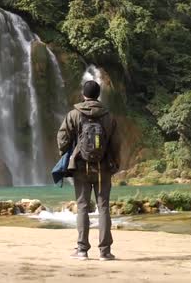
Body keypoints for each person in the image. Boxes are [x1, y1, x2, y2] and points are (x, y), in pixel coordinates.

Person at [57, 80, 120, 261]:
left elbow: (62, 138)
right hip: (103, 168)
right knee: (104, 208)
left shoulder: (74, 114)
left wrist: (67, 154)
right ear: (98, 95)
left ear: (83, 95)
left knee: (83, 207)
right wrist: (114, 163)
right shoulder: (109, 116)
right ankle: (105, 251)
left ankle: (82, 250)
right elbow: (116, 144)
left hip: (80, 167)